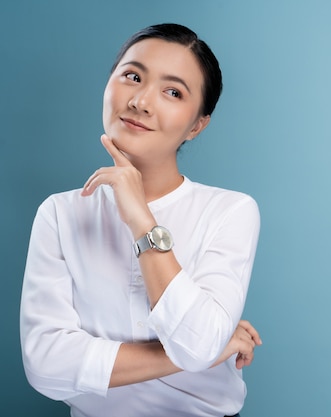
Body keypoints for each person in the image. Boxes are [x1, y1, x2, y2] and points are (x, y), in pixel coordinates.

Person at [20, 23, 261, 417]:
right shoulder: (60, 213)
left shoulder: (230, 211)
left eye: (173, 92)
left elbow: (198, 345)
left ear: (197, 125)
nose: (142, 101)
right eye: (132, 76)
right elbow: (45, 365)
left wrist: (142, 220)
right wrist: (211, 347)